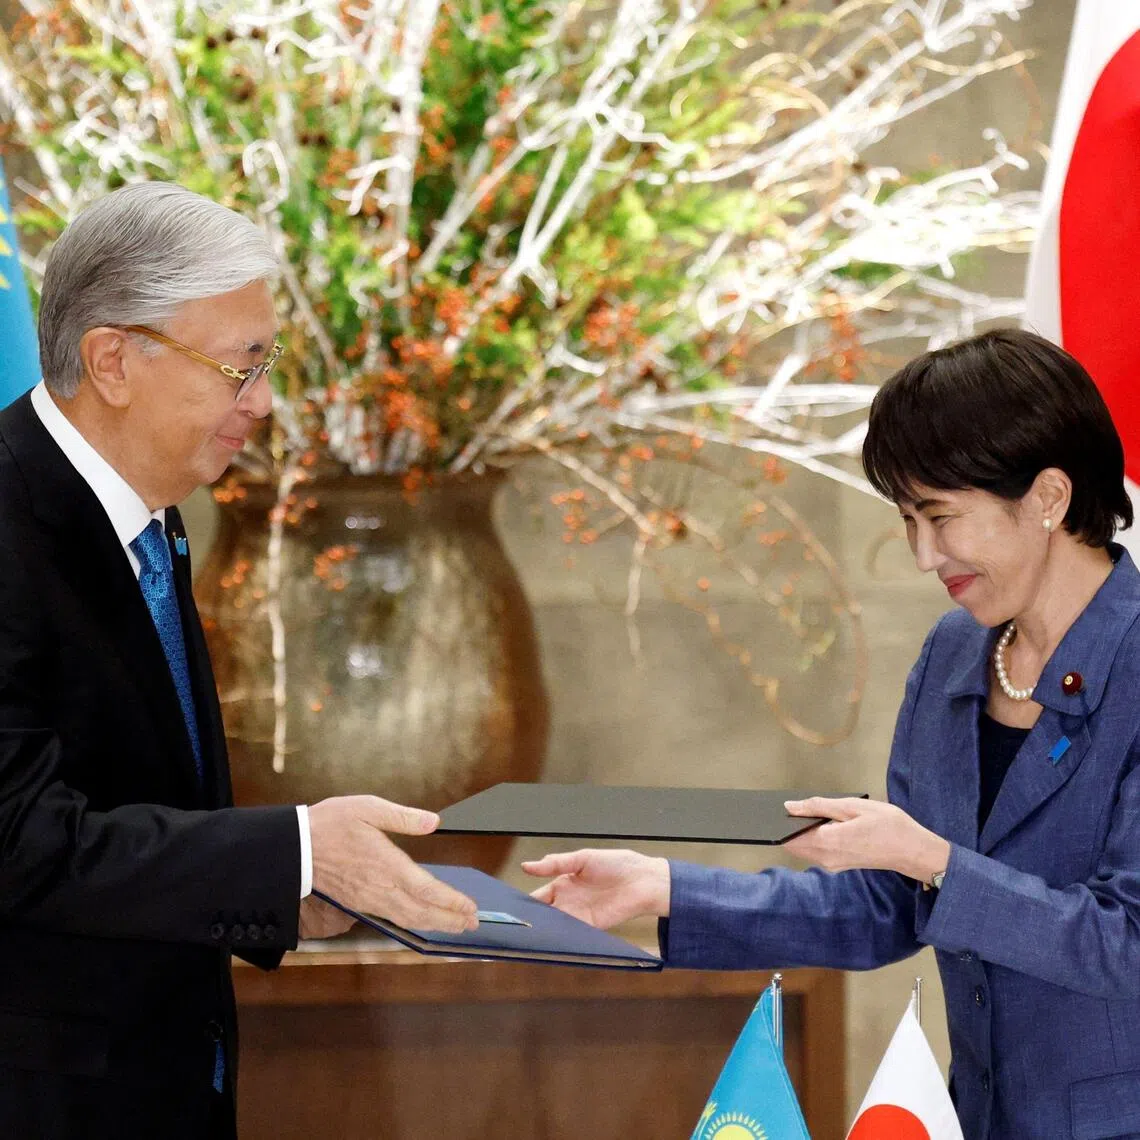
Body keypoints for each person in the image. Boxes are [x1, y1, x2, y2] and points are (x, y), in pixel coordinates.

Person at [525, 328, 1140, 1140]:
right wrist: (663, 888)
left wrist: (933, 859)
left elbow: (1126, 943)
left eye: (940, 516)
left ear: (1049, 497)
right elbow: (893, 906)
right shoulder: (955, 653)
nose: (923, 555)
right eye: (908, 519)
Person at [0, 182, 479, 1140]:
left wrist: (283, 892)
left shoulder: (153, 523)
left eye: (268, 364)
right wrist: (294, 850)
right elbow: (18, 838)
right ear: (112, 360)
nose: (261, 402)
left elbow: (138, 804)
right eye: (239, 366)